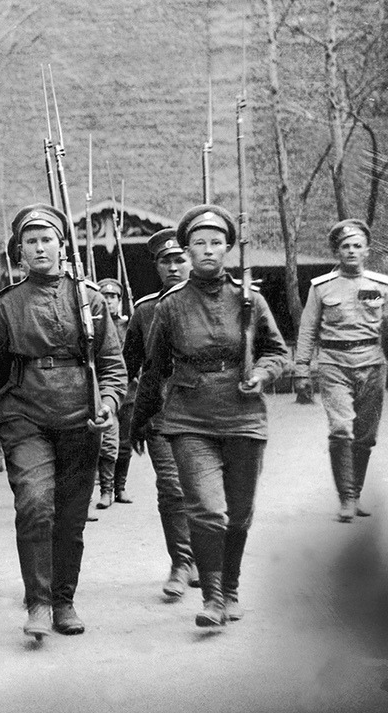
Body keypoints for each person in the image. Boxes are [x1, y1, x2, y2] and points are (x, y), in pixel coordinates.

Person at [132, 205, 289, 628]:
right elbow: (155, 368)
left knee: (239, 514)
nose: (207, 250)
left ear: (227, 249)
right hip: (190, 419)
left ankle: (232, 587)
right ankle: (214, 598)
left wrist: (261, 373)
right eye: (198, 243)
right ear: (187, 249)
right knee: (207, 510)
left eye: (215, 243)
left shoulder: (249, 300)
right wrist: (140, 420)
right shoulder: (171, 306)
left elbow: (278, 351)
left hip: (244, 416)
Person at [0, 204, 125, 639]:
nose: (40, 248)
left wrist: (109, 403)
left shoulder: (91, 299)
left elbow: (112, 364)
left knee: (71, 516)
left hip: (81, 416)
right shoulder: (7, 306)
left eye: (47, 240)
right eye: (31, 241)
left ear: (62, 246)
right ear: (19, 252)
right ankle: (37, 602)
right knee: (35, 504)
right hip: (24, 415)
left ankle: (63, 600)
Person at [294, 219, 388, 522]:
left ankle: (356, 494)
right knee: (341, 429)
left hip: (373, 362)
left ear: (366, 251)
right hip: (334, 363)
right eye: (345, 246)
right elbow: (308, 329)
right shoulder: (321, 288)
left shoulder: (382, 286)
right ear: (337, 251)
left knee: (365, 436)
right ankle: (346, 498)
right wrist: (301, 369)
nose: (351, 251)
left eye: (357, 246)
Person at [122, 228, 198, 598]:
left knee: (203, 491)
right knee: (171, 488)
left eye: (179, 259)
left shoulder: (216, 299)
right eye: (165, 261)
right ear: (156, 266)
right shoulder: (145, 310)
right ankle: (181, 563)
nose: (173, 267)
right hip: (163, 413)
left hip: (208, 411)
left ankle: (205, 557)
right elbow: (127, 365)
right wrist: (130, 414)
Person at [94, 277, 131, 509]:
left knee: (124, 443)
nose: (108, 301)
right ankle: (105, 490)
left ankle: (121, 487)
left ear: (120, 300)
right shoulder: (96, 324)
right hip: (104, 389)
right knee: (106, 441)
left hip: (130, 391)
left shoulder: (129, 324)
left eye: (113, 297)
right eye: (104, 296)